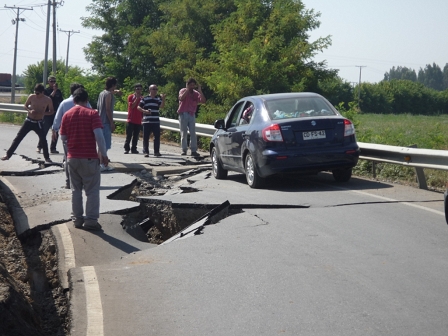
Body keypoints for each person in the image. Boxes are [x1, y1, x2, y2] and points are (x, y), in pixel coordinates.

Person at [59, 87, 109, 231]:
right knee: (92, 190)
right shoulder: (92, 114)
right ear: (87, 100)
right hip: (89, 158)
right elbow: (99, 136)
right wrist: (103, 155)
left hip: (72, 158)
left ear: (74, 100)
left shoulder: (67, 115)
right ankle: (91, 221)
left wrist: (69, 154)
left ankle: (77, 219)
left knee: (76, 190)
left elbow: (63, 138)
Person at [52, 83, 91, 188]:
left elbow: (57, 119)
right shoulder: (86, 103)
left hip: (67, 136)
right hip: (83, 135)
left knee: (68, 158)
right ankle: (81, 181)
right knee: (82, 158)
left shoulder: (64, 103)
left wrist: (54, 130)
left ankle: (69, 182)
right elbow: (91, 115)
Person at [2, 84, 54, 162]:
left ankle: (47, 157)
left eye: (38, 93)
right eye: (35, 92)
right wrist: (29, 110)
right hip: (29, 121)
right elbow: (25, 105)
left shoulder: (47, 100)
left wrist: (42, 113)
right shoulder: (31, 97)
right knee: (18, 138)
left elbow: (51, 111)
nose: (36, 95)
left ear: (42, 92)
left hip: (38, 122)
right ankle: (8, 154)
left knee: (43, 140)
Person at [97, 76, 121, 171]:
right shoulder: (108, 95)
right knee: (105, 145)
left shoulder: (102, 93)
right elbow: (107, 109)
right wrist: (112, 122)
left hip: (99, 120)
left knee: (100, 144)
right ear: (113, 85)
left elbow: (111, 92)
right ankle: (103, 164)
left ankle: (99, 163)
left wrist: (116, 92)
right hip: (105, 122)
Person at [177, 77, 206, 156]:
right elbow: (181, 98)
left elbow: (203, 101)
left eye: (193, 85)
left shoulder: (196, 93)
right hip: (183, 114)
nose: (192, 87)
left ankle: (193, 150)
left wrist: (200, 91)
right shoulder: (183, 90)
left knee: (193, 133)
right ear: (187, 85)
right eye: (190, 85)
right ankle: (184, 150)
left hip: (191, 114)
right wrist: (187, 89)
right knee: (184, 133)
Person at [138, 84, 166, 157]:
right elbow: (138, 107)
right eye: (153, 89)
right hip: (147, 120)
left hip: (155, 120)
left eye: (156, 89)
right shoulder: (145, 98)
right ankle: (146, 152)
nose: (155, 91)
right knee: (146, 137)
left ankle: (156, 152)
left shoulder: (158, 99)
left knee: (157, 137)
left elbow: (162, 106)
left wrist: (163, 99)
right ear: (149, 90)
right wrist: (145, 111)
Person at [37, 76, 63, 154]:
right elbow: (48, 99)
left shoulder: (58, 91)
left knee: (55, 131)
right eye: (51, 81)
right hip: (48, 113)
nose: (53, 83)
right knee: (44, 131)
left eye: (54, 81)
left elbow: (61, 101)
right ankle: (39, 146)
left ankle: (53, 148)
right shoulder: (46, 91)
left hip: (56, 113)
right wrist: (54, 91)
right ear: (48, 82)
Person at [124, 83, 143, 154]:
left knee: (136, 136)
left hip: (138, 120)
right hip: (131, 119)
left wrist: (142, 118)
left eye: (140, 89)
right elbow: (132, 106)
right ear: (135, 89)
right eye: (137, 89)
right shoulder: (131, 97)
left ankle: (134, 149)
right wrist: (137, 99)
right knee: (129, 135)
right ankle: (126, 148)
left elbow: (142, 108)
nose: (139, 90)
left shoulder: (142, 98)